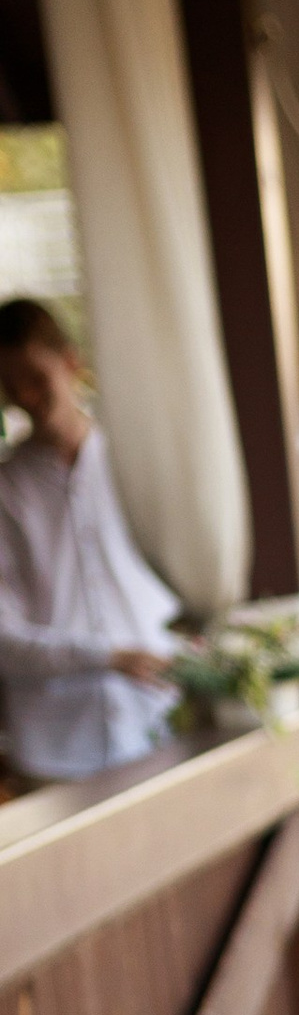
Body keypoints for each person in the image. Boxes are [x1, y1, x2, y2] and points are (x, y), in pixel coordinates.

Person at [0, 295, 178, 782]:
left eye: (36, 379)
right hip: (56, 749)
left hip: (157, 722)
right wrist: (106, 657)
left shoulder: (135, 459)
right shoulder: (5, 490)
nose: (27, 399)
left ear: (71, 364)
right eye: (11, 387)